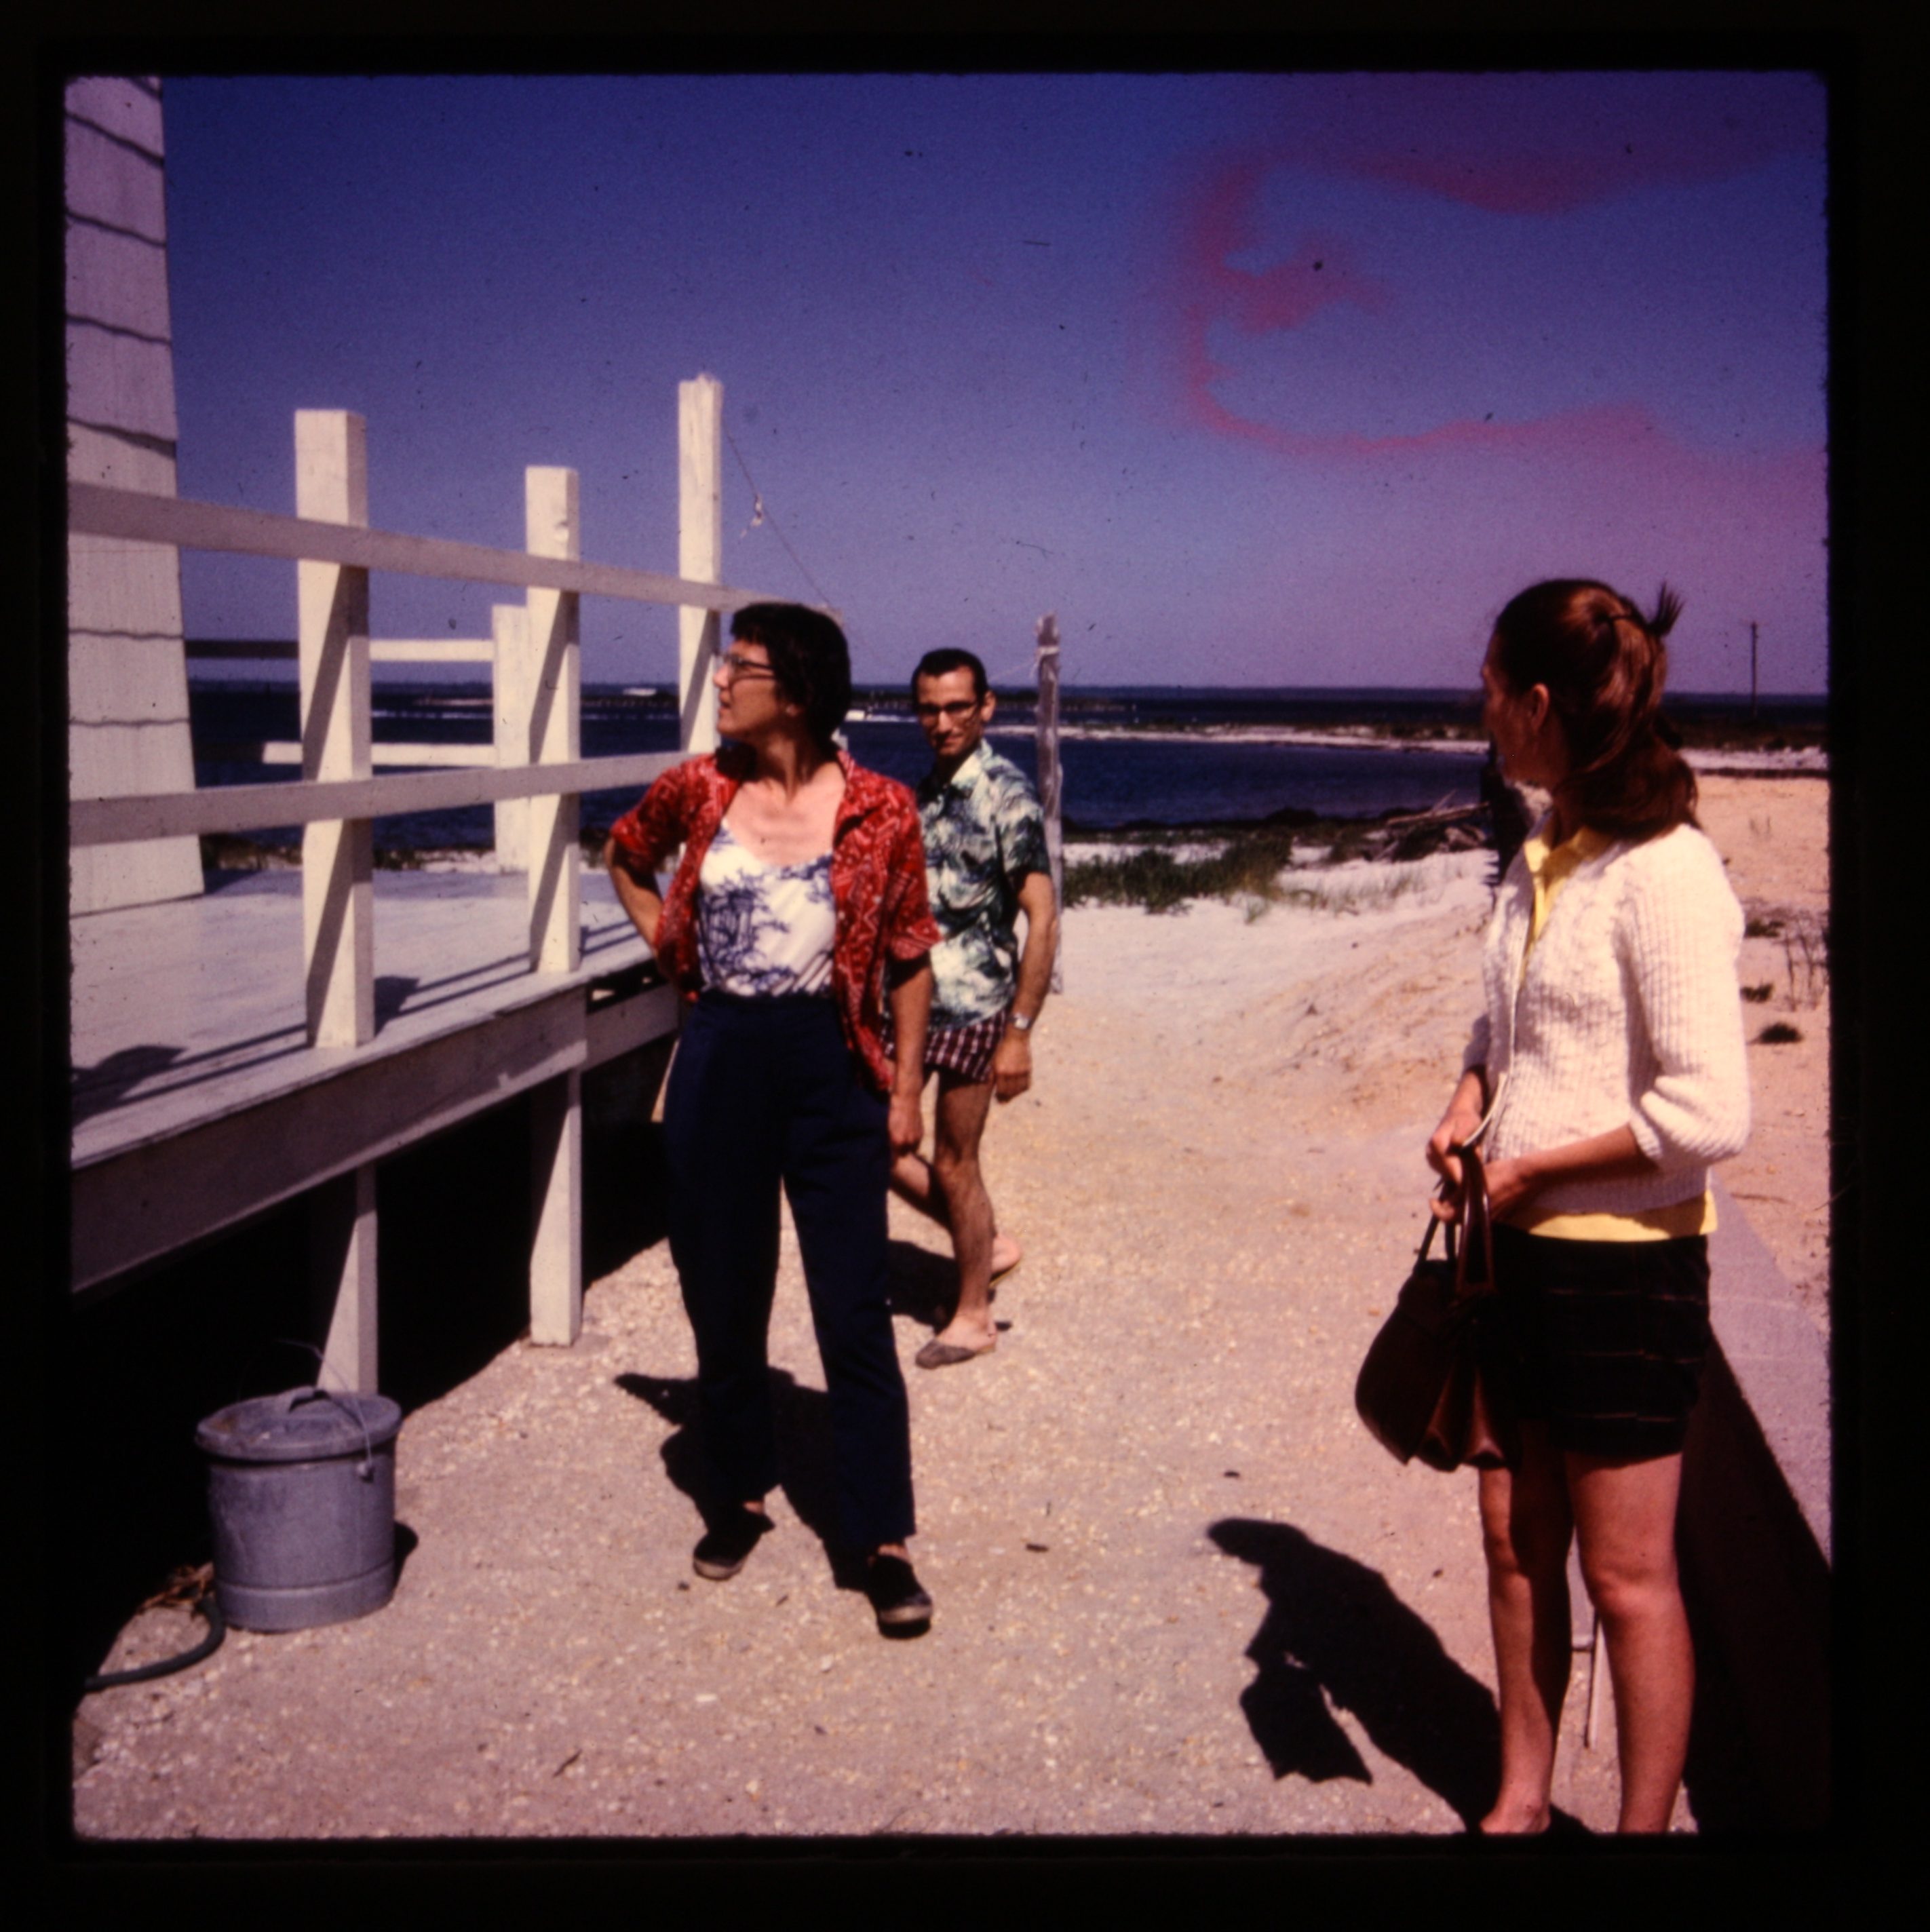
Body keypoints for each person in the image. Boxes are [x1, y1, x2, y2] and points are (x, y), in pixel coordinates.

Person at [1425, 579, 1750, 1834]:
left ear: (1539, 701)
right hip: (1513, 1258)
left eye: (1490, 690)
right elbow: (1503, 1025)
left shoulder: (1665, 872)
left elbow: (1708, 1111)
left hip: (1626, 1270)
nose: (1481, 711)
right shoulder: (1541, 851)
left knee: (1625, 1577)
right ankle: (1520, 1800)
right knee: (1514, 1545)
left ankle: (1639, 1837)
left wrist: (1536, 1167)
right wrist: (1470, 1096)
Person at [606, 603, 942, 1636]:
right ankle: (740, 1491)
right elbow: (625, 852)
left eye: (737, 665)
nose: (719, 680)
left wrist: (904, 1093)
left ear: (792, 691)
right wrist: (672, 946)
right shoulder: (698, 787)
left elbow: (910, 956)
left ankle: (880, 1538)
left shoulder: (881, 808)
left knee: (852, 1306)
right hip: (720, 1054)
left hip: (829, 1062)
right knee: (723, 1291)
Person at [887, 648, 1058, 1370]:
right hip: (914, 1004)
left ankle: (974, 1316)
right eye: (929, 709)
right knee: (875, 1140)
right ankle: (985, 1245)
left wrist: (1018, 1033)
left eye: (958, 706)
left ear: (986, 706)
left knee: (957, 1163)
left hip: (978, 1008)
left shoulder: (1005, 794)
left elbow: (1043, 919)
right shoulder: (924, 792)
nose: (943, 722)